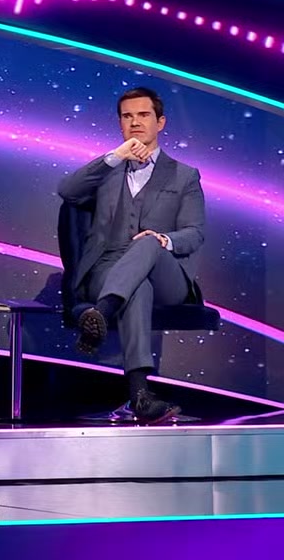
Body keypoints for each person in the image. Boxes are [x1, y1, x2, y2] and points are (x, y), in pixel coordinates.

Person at [57, 87, 205, 424]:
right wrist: (115, 156)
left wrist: (163, 239)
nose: (135, 122)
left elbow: (195, 233)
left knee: (149, 242)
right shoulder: (106, 171)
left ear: (160, 122)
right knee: (137, 287)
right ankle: (140, 395)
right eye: (127, 116)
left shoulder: (184, 175)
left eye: (143, 115)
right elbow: (66, 191)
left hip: (165, 272)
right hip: (108, 271)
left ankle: (101, 313)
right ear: (120, 124)